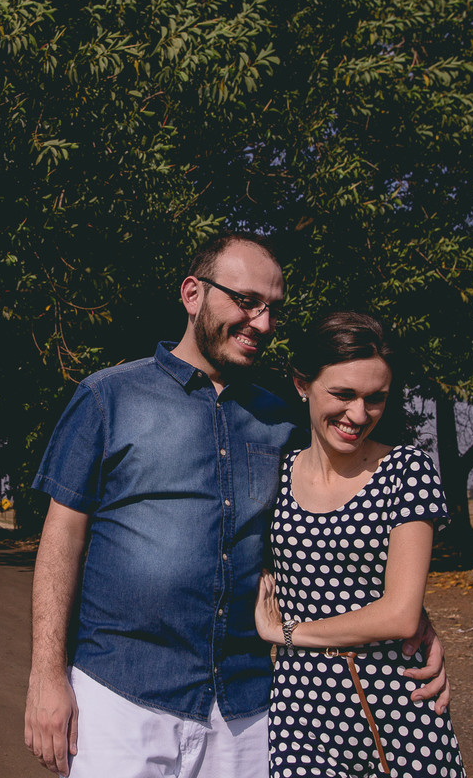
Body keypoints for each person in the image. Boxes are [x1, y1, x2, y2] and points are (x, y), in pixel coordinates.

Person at [25, 234, 450, 778]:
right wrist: (46, 676)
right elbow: (63, 538)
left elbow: (334, 530)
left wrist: (414, 623)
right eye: (247, 300)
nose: (263, 322)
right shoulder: (108, 397)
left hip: (246, 707)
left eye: (273, 308)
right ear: (192, 293)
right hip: (122, 694)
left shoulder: (282, 420)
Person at [255, 311, 465, 777]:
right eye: (343, 394)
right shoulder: (273, 472)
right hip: (300, 714)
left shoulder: (407, 471)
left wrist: (287, 633)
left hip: (396, 708)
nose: (358, 414)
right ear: (301, 383)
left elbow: (400, 614)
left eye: (376, 399)